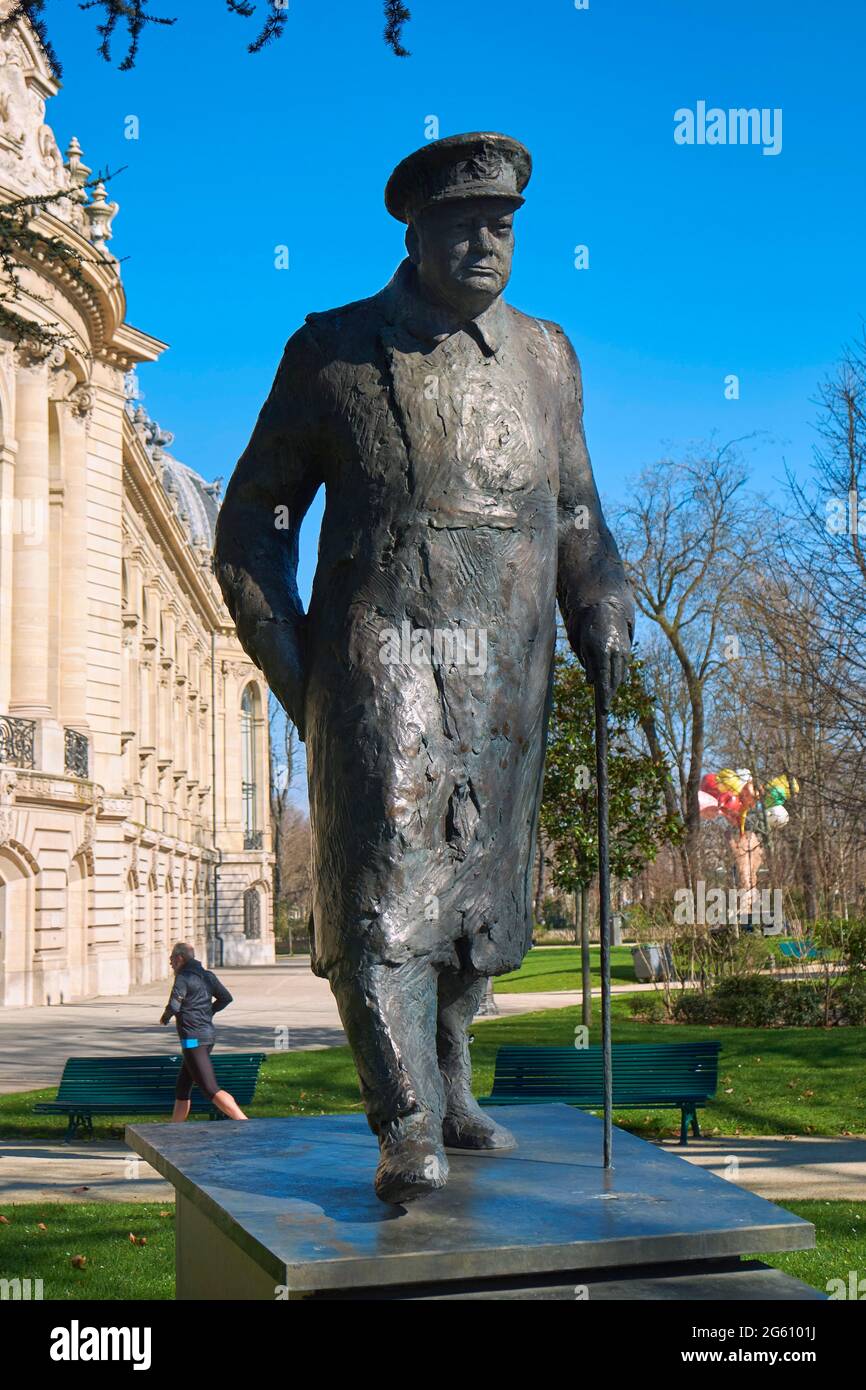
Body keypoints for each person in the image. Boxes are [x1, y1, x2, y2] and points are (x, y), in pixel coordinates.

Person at [214, 132, 633, 1202]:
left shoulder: (547, 357)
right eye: (462, 224)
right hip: (381, 651)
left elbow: (576, 514)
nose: (486, 242)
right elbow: (253, 523)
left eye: (502, 224)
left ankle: (451, 1078)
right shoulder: (334, 351)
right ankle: (401, 1116)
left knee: (484, 892)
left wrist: (602, 602)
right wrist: (301, 675)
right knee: (385, 887)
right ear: (414, 231)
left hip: (509, 668)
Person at [160, 942, 248, 1122]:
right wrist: (209, 1011)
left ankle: (244, 1122)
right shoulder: (207, 976)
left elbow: (175, 1005)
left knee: (210, 1088)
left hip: (192, 1040)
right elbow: (225, 998)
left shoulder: (183, 977)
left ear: (180, 958)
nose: (170, 962)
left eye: (171, 958)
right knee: (182, 1089)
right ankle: (175, 1131)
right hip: (207, 1037)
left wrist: (166, 1016)